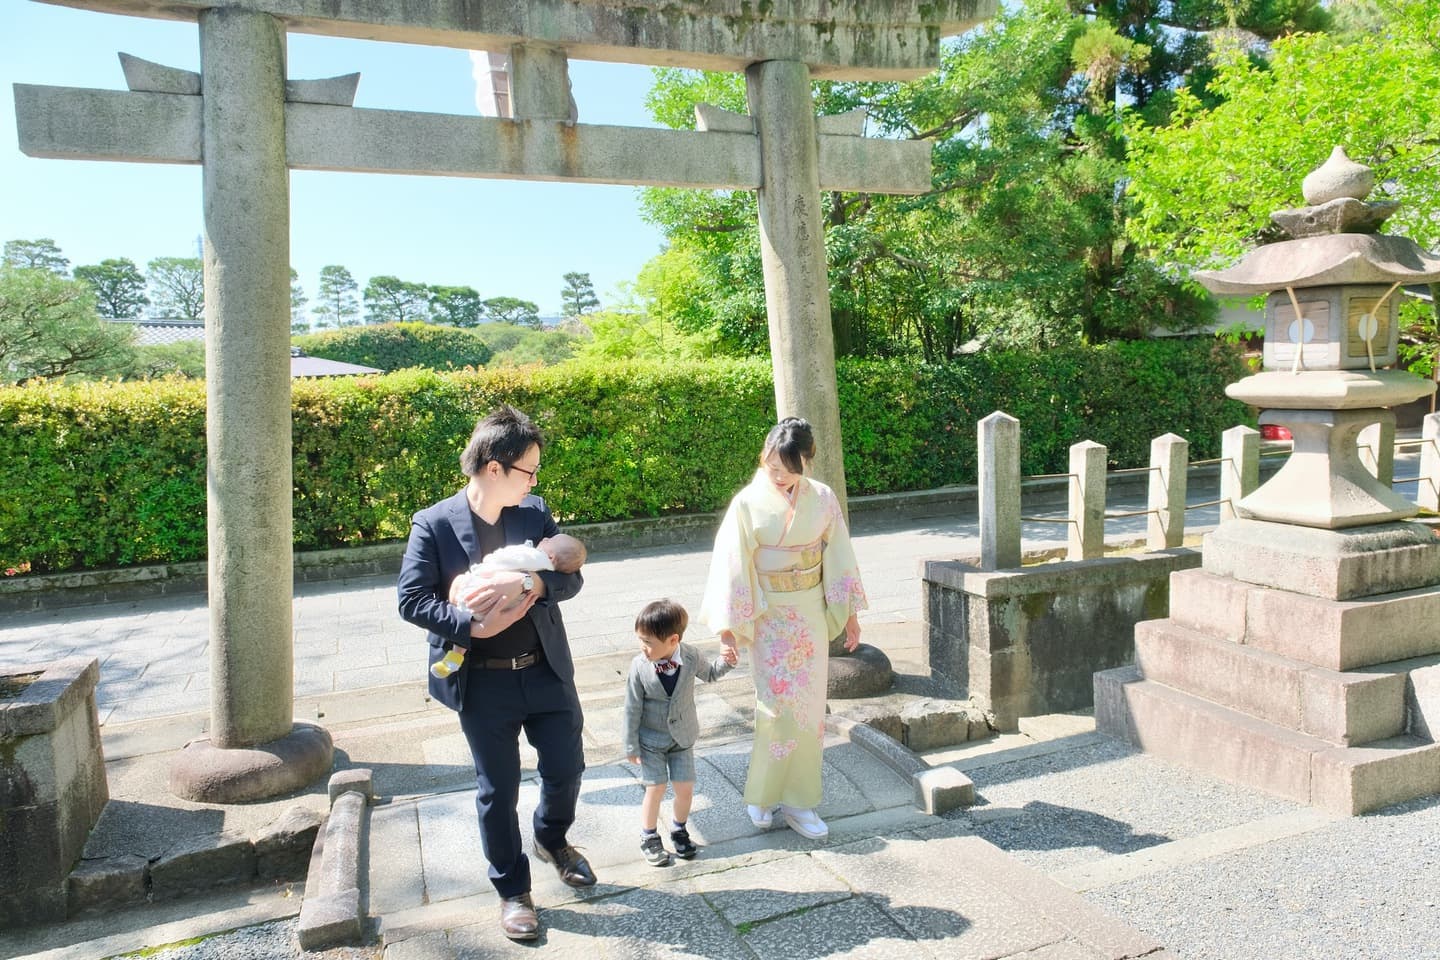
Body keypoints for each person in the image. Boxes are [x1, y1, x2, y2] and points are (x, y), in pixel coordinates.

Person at [396, 405, 595, 942]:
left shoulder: (534, 514)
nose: (535, 482)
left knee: (566, 768)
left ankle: (552, 839)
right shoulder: (434, 523)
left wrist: (531, 585)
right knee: (498, 789)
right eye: (529, 470)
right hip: (482, 679)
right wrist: (471, 625)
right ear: (494, 467)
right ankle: (513, 890)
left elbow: (571, 577)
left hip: (546, 668)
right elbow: (411, 600)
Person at [698, 417, 868, 840]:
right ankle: (763, 794)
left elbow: (840, 554)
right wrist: (728, 629)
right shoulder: (746, 503)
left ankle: (800, 801)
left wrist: (849, 613)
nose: (779, 475)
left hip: (809, 610)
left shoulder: (822, 498)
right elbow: (731, 565)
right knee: (774, 706)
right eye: (772, 466)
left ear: (807, 461)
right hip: (769, 614)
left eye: (789, 469)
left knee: (809, 709)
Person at [621, 599, 738, 866]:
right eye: (640, 640)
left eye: (648, 642)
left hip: (683, 738)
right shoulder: (639, 666)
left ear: (673, 640)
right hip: (650, 741)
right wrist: (630, 744)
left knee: (685, 788)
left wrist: (727, 662)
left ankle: (679, 829)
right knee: (656, 787)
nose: (643, 647)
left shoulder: (691, 656)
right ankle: (649, 836)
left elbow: (710, 674)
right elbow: (631, 707)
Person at [431, 533, 588, 679]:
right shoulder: (547, 561)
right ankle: (455, 656)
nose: (546, 538)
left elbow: (572, 581)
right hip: (500, 607)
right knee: (465, 616)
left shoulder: (538, 556)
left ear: (551, 556)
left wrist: (498, 565)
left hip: (484, 599)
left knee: (462, 595)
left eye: (550, 541)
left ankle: (454, 655)